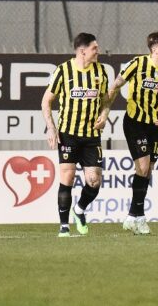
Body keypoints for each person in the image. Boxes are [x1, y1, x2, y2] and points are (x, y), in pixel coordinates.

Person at [104, 32, 158, 235]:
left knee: (147, 170)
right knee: (144, 166)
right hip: (135, 122)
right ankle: (139, 216)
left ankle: (133, 216)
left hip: (155, 126)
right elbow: (115, 86)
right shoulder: (137, 64)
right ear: (154, 49)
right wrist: (104, 112)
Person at [41, 33, 109, 237]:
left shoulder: (100, 71)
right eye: (94, 48)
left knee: (94, 181)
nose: (98, 51)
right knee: (67, 177)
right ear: (82, 51)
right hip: (68, 134)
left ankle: (79, 210)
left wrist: (104, 115)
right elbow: (46, 101)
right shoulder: (63, 70)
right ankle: (64, 226)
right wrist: (51, 128)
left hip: (91, 136)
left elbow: (106, 100)